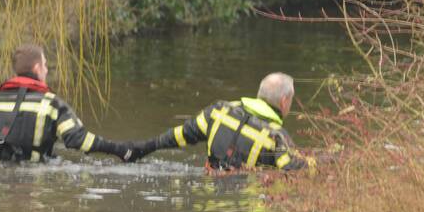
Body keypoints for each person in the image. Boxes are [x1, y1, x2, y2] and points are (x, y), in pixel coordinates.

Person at [0, 44, 138, 163]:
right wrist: (120, 149)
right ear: (36, 68)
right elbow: (80, 140)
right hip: (34, 184)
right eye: (45, 65)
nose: (47, 70)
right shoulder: (52, 106)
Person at [129, 72, 315, 171]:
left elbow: (181, 135)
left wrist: (145, 147)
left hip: (210, 193)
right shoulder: (277, 137)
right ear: (284, 101)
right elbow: (293, 168)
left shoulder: (219, 111)